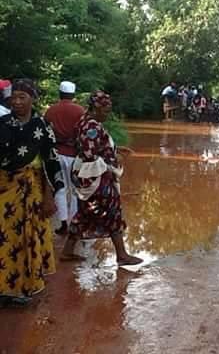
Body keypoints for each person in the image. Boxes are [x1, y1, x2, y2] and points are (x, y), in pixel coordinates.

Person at [0, 79, 63, 307]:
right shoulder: (3, 124)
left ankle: (23, 288)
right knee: (4, 239)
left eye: (22, 97)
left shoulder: (42, 128)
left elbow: (50, 162)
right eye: (13, 97)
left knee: (27, 237)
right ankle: (3, 288)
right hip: (4, 189)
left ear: (33, 99)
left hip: (32, 191)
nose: (16, 102)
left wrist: (49, 196)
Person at [61, 90, 143, 266]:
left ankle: (67, 251)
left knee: (85, 213)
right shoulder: (91, 126)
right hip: (96, 178)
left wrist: (115, 149)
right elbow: (89, 154)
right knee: (112, 211)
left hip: (90, 176)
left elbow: (97, 146)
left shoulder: (86, 122)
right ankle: (122, 255)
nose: (107, 115)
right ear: (96, 109)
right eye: (105, 111)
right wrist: (111, 163)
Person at [45, 81, 84, 237]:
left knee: (60, 189)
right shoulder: (80, 111)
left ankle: (63, 224)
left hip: (55, 155)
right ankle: (74, 223)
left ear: (60, 93)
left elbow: (45, 132)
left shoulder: (50, 111)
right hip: (74, 156)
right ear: (73, 95)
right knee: (75, 191)